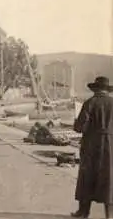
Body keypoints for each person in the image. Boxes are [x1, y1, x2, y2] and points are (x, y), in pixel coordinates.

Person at [71, 76, 113, 219]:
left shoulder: (90, 102)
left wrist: (75, 122)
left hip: (91, 145)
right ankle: (109, 214)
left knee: (87, 176)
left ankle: (83, 212)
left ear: (95, 88)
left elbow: (80, 127)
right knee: (109, 177)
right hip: (110, 145)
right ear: (107, 89)